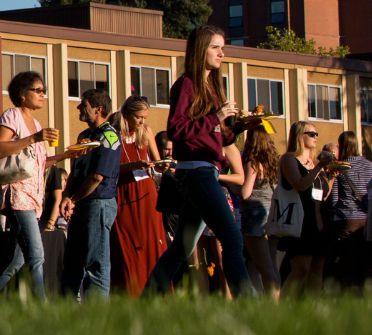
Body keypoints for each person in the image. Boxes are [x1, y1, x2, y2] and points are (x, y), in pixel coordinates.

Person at [145, 25, 256, 297]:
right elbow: (177, 129)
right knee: (232, 239)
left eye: (222, 47)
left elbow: (215, 138)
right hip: (197, 173)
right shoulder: (187, 84)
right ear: (200, 49)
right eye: (215, 47)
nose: (222, 52)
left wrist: (239, 128)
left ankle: (147, 299)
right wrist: (216, 117)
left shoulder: (209, 87)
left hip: (203, 171)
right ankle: (249, 303)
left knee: (182, 248)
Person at [0, 71, 74, 298]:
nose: (42, 94)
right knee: (36, 254)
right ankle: (41, 308)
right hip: (18, 196)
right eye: (38, 90)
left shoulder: (35, 123)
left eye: (43, 90)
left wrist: (66, 155)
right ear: (22, 94)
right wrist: (35, 138)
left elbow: (38, 164)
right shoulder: (12, 116)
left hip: (33, 199)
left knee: (16, 260)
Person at [60, 88, 122, 301]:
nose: (78, 108)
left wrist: (74, 199)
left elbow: (97, 177)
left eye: (83, 105)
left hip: (99, 204)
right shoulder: (84, 136)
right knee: (72, 262)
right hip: (80, 204)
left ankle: (96, 317)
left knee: (96, 263)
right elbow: (75, 170)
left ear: (98, 109)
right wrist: (67, 196)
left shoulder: (110, 136)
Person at [108, 95, 168, 297]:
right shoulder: (113, 133)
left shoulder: (147, 131)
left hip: (146, 193)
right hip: (122, 193)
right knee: (127, 245)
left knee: (152, 241)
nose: (142, 121)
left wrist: (164, 165)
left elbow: (157, 163)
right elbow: (108, 167)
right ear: (127, 114)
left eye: (145, 117)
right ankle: (130, 292)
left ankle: (156, 291)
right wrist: (135, 166)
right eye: (139, 117)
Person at [277, 119, 334, 296]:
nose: (316, 137)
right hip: (301, 220)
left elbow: (322, 194)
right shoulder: (289, 159)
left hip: (318, 222)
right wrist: (318, 168)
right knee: (301, 268)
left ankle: (313, 311)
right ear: (299, 136)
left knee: (317, 268)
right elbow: (300, 185)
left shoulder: (312, 163)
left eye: (316, 134)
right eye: (311, 134)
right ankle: (285, 308)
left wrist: (330, 176)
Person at [325, 130, 372, 289]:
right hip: (367, 220)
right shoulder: (371, 166)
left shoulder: (339, 167)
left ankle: (349, 296)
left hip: (346, 219)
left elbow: (334, 200)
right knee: (365, 261)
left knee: (347, 262)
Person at [237, 128, 281, 298]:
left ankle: (272, 307)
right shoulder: (274, 163)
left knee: (264, 267)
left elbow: (245, 193)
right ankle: (271, 302)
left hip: (255, 218)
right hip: (273, 216)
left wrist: (228, 183)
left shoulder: (252, 163)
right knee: (271, 265)